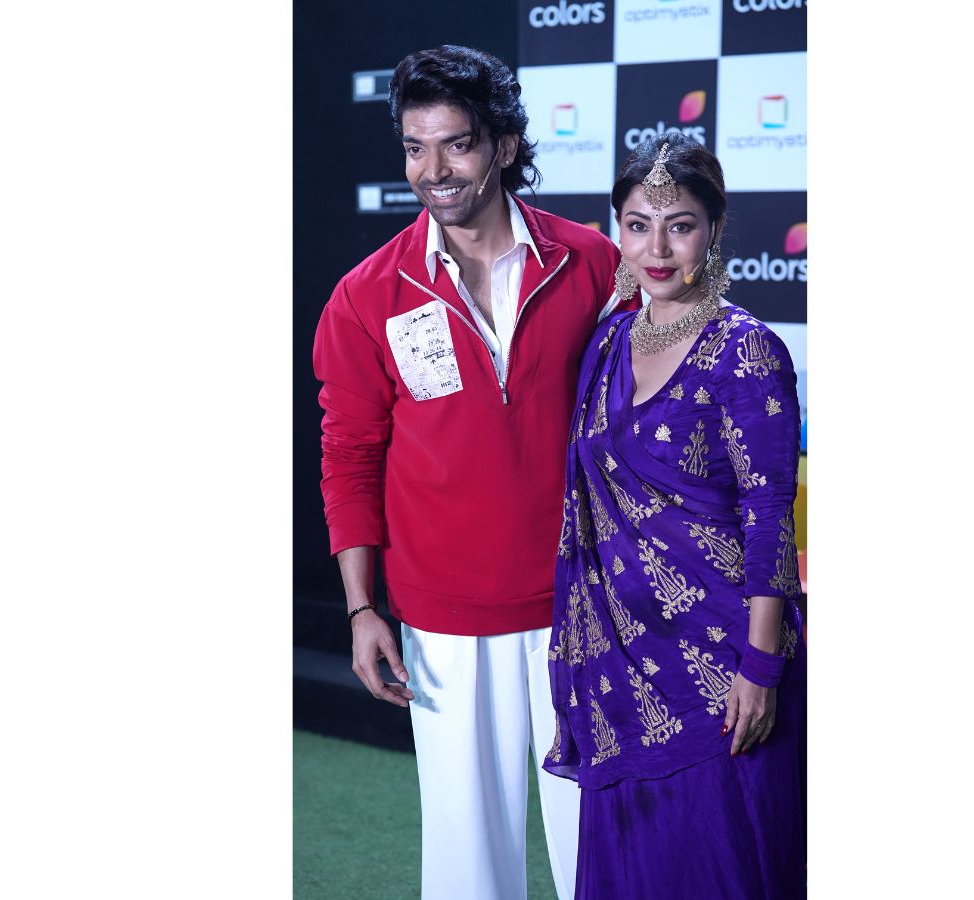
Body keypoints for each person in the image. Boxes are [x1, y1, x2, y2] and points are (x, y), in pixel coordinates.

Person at [312, 45, 633, 900]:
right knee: (467, 868)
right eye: (414, 148)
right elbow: (349, 458)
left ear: (503, 144)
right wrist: (361, 607)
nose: (434, 171)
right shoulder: (366, 295)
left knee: (601, 848)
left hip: (583, 599)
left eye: (455, 144)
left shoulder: (592, 264)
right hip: (443, 615)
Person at [543, 133, 806, 899]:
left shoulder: (745, 350)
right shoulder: (608, 342)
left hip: (723, 666)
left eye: (680, 225)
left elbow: (770, 518)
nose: (656, 249)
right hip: (621, 670)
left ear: (714, 229)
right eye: (637, 225)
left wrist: (760, 669)